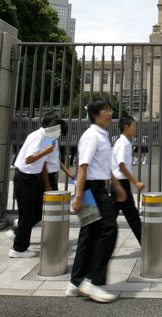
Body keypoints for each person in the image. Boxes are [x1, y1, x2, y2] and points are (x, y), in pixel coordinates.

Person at [66, 97, 126, 303]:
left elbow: (105, 166)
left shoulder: (102, 134)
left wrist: (117, 186)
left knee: (89, 233)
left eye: (110, 110)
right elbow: (83, 167)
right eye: (104, 110)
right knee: (109, 229)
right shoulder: (92, 135)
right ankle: (93, 281)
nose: (109, 113)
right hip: (92, 189)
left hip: (98, 186)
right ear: (94, 114)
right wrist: (79, 196)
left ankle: (76, 282)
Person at [7, 113, 58, 258]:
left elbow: (43, 164)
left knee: (36, 211)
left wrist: (47, 186)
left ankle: (19, 231)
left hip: (32, 178)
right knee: (28, 213)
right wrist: (45, 152)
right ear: (47, 125)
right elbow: (29, 159)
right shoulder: (39, 137)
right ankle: (18, 248)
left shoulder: (46, 137)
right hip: (25, 177)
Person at [111, 115, 144, 245]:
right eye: (133, 126)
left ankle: (146, 243)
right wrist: (135, 181)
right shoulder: (123, 143)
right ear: (126, 127)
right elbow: (121, 165)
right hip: (119, 184)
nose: (135, 129)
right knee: (111, 218)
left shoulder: (125, 142)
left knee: (132, 216)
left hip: (122, 183)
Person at [41, 115, 74, 192]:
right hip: (45, 176)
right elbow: (43, 163)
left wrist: (68, 172)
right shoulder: (45, 139)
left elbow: (56, 159)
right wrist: (47, 185)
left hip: (52, 176)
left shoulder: (53, 140)